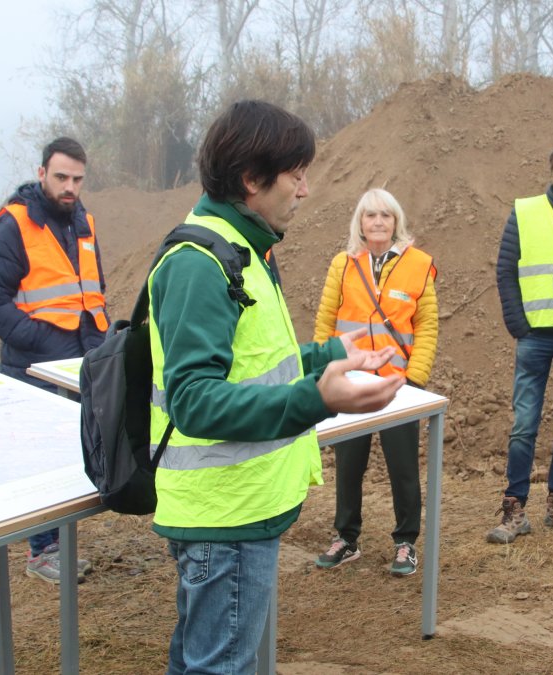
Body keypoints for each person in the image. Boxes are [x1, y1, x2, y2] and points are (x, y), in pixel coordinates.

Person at [147, 100, 403, 673]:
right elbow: (193, 399)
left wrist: (330, 355)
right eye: (296, 175)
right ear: (251, 179)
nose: (306, 190)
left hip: (234, 509)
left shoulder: (242, 249)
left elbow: (256, 362)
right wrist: (317, 399)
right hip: (224, 517)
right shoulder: (201, 262)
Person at [0, 137, 105, 584]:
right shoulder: (14, 225)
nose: (70, 187)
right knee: (41, 461)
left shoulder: (84, 223)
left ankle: (58, 547)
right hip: (33, 366)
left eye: (78, 179)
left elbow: (91, 290)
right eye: (62, 177)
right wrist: (38, 342)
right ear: (42, 173)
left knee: (70, 455)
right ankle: (42, 551)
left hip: (78, 362)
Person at [312, 188, 438, 576]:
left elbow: (427, 325)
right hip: (350, 383)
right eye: (370, 215)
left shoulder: (419, 264)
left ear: (396, 221)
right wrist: (323, 369)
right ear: (360, 223)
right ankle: (346, 538)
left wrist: (414, 379)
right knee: (349, 465)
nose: (378, 222)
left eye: (386, 215)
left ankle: (406, 542)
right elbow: (326, 321)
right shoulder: (343, 264)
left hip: (397, 386)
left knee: (403, 467)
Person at [488, 138, 553, 544]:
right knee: (524, 425)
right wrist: (519, 325)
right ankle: (514, 509)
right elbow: (505, 270)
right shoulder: (525, 211)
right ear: (552, 171)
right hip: (534, 336)